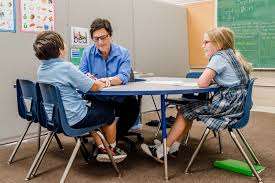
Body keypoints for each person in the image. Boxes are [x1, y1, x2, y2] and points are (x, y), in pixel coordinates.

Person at [141, 27, 252, 163]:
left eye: (206, 42)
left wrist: (209, 80)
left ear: (219, 44)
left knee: (185, 111)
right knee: (190, 110)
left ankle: (161, 151)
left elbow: (202, 83)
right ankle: (174, 148)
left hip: (226, 107)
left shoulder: (218, 57)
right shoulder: (232, 55)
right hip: (237, 106)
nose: (203, 46)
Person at [33, 31, 127, 163]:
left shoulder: (41, 69)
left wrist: (85, 79)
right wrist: (101, 81)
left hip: (53, 118)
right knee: (108, 112)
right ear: (60, 50)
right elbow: (94, 87)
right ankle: (111, 150)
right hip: (73, 119)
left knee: (92, 111)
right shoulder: (66, 67)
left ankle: (101, 147)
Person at [79, 18, 140, 152]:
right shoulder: (87, 53)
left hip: (119, 98)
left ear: (110, 35)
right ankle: (106, 143)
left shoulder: (123, 53)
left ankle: (112, 140)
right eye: (96, 39)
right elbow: (81, 74)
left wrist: (106, 81)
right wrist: (87, 77)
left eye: (103, 37)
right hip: (99, 98)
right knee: (99, 110)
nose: (100, 42)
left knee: (133, 107)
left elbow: (124, 76)